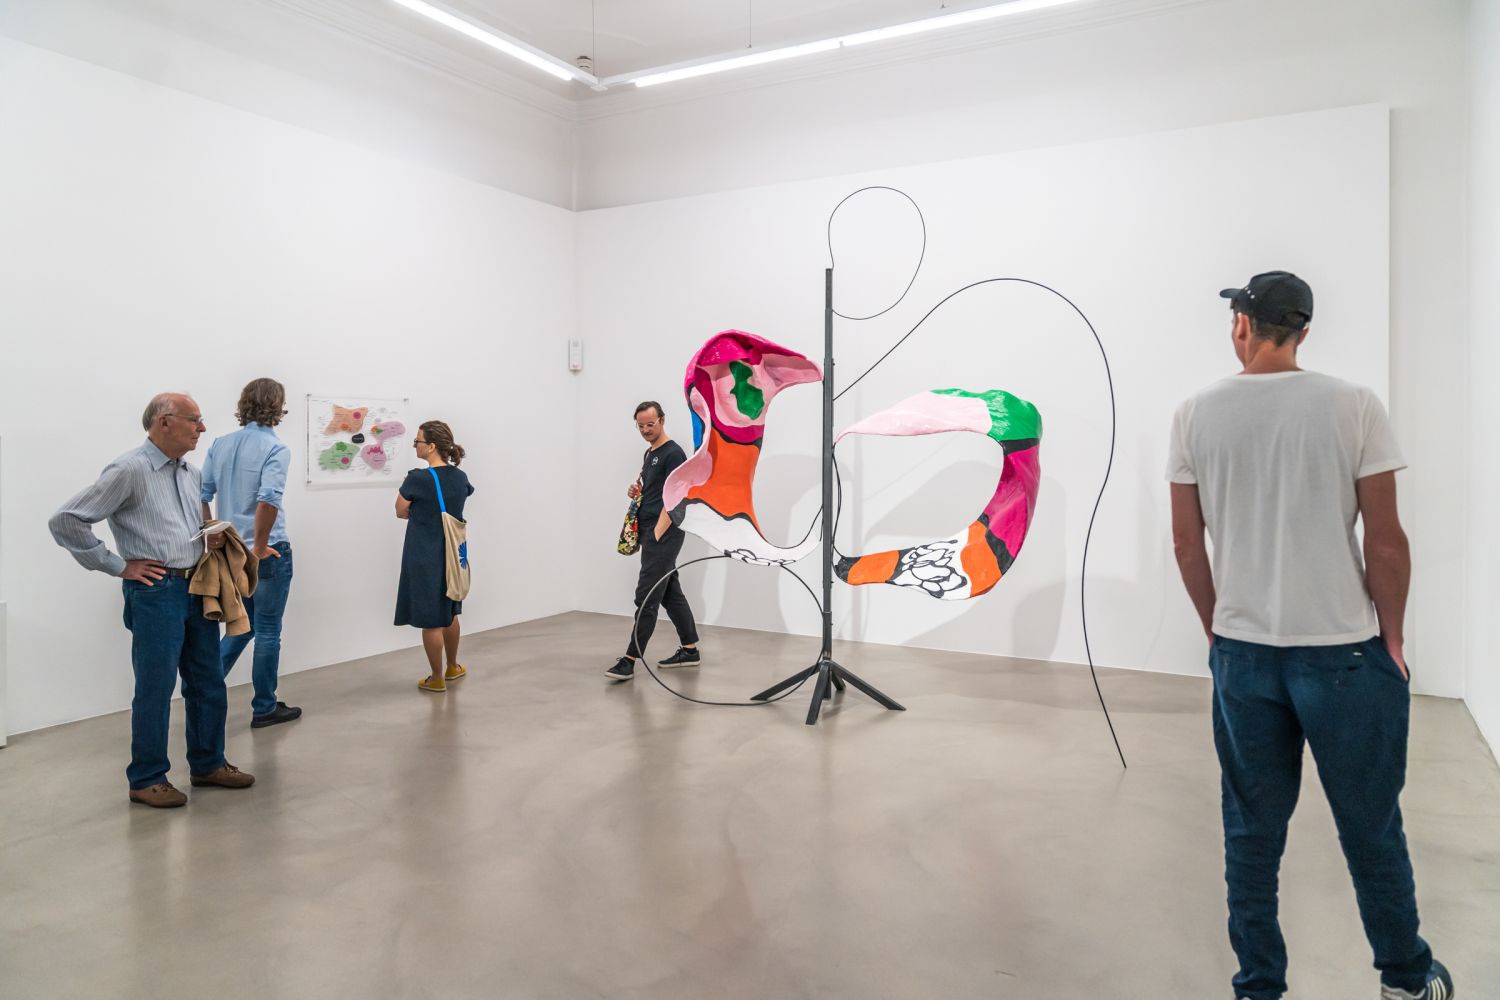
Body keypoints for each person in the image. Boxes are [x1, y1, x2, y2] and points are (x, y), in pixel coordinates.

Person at [1168, 272, 1453, 1000]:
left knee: (1251, 835)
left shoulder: (1194, 413)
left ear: (1242, 325)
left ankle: (1259, 987)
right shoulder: (1354, 405)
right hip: (1344, 655)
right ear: (1302, 332)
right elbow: (1385, 542)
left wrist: (1219, 630)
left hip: (1244, 655)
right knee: (1370, 826)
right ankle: (1405, 979)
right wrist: (1393, 638)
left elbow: (1187, 546)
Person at [49, 393, 256, 808]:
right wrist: (117, 565)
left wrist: (207, 536)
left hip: (196, 587)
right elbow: (66, 520)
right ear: (164, 422)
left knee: (207, 680)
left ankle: (208, 764)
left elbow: (187, 523)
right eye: (194, 420)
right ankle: (146, 779)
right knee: (155, 688)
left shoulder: (191, 472)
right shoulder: (129, 469)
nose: (202, 428)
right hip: (155, 592)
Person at [201, 377, 301, 728]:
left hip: (230, 549)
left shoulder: (221, 444)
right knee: (268, 630)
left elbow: (202, 494)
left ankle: (202, 691)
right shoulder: (276, 448)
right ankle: (265, 707)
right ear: (278, 406)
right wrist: (259, 546)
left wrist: (211, 534)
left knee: (242, 627)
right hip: (267, 549)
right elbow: (268, 500)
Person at [605, 401, 700, 682]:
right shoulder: (651, 453)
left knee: (646, 595)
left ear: (662, 420)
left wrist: (658, 531)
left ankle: (630, 659)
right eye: (641, 426)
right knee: (670, 593)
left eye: (651, 424)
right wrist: (637, 491)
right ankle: (690, 650)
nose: (646, 430)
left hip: (663, 532)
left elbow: (679, 495)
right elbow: (656, 490)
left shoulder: (673, 453)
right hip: (649, 530)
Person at [395, 420, 472, 692]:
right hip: (453, 555)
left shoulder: (418, 479)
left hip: (424, 555)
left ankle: (436, 677)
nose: (414, 445)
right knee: (449, 612)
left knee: (431, 621)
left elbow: (400, 510)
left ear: (430, 446)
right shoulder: (460, 477)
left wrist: (420, 513)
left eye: (417, 441)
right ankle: (452, 666)